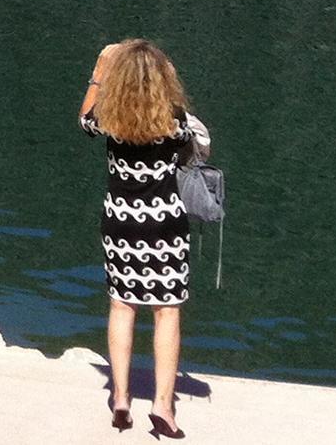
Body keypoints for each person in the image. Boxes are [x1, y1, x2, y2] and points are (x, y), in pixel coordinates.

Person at [80, 39, 211, 438]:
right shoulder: (175, 121)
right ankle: (163, 407)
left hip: (119, 222)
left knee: (122, 306)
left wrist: (101, 71)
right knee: (166, 311)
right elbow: (200, 151)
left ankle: (120, 398)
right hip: (164, 225)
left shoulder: (109, 120)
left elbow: (85, 116)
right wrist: (165, 71)